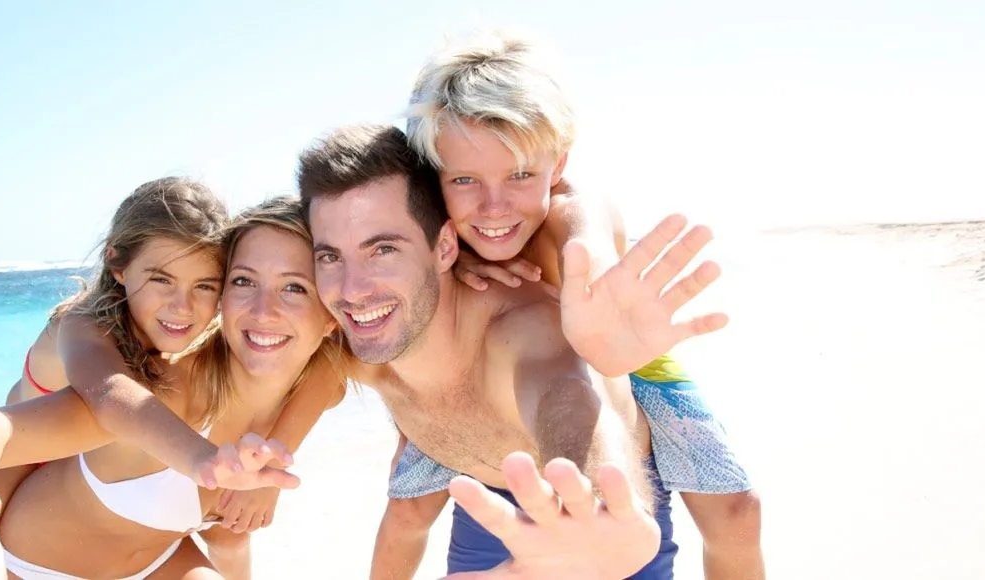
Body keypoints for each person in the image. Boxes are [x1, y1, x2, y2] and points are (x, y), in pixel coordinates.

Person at [368, 30, 763, 579]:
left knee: (738, 512)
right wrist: (456, 263)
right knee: (407, 508)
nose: (493, 205)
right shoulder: (438, 230)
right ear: (436, 178)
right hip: (477, 367)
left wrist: (592, 297)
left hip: (620, 351)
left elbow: (587, 239)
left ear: (558, 165)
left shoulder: (570, 208)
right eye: (464, 179)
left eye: (522, 174)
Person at [296, 123, 729, 578]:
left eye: (383, 249)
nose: (353, 289)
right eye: (330, 257)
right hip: (491, 497)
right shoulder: (349, 339)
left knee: (737, 513)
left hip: (590, 532)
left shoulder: (524, 333)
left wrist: (600, 509)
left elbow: (568, 395)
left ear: (444, 246)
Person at [0, 192, 342, 580]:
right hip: (34, 557)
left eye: (296, 288)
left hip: (156, 560)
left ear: (332, 313)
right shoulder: (134, 377)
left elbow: (330, 374)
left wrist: (269, 472)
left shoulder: (317, 370)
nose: (264, 310)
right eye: (244, 280)